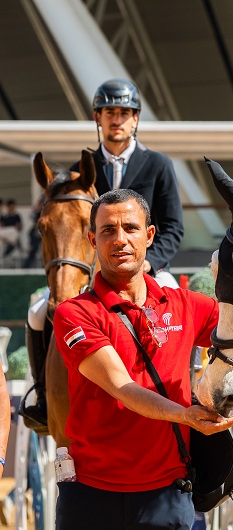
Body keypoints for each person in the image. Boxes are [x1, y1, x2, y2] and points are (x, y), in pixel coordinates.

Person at [52, 189, 233, 530]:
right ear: (92, 240)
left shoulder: (188, 305)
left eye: (130, 228)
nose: (119, 239)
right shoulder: (73, 313)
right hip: (90, 497)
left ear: (150, 235)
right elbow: (122, 387)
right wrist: (185, 415)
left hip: (167, 496)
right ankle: (38, 398)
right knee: (37, 317)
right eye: (108, 230)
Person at [23, 78, 185, 430]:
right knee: (37, 313)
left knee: (177, 305)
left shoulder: (158, 164)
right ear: (98, 117)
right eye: (110, 112)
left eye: (124, 113)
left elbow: (173, 227)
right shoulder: (82, 166)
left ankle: (192, 387)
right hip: (96, 268)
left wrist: (148, 262)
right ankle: (42, 395)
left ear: (135, 118)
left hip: (149, 266)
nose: (117, 119)